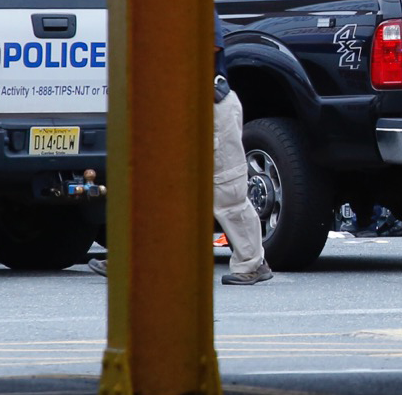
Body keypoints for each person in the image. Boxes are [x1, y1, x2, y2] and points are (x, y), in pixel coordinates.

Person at [90, 21, 274, 284]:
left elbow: (206, 47)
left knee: (227, 190)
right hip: (173, 104)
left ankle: (252, 263)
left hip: (210, 105)